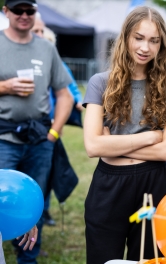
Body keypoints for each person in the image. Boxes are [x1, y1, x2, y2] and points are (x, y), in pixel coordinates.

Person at [82, 6, 166, 264]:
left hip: (153, 184)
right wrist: (150, 137)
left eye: (154, 40)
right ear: (126, 37)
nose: (145, 47)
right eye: (139, 37)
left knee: (148, 259)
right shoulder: (100, 83)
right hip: (109, 186)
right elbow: (93, 146)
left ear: (162, 45)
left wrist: (111, 143)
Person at [0, 0, 74, 263]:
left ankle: (27, 259)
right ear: (6, 11)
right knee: (1, 199)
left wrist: (53, 134)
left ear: (35, 13)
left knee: (35, 203)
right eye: (17, 10)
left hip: (39, 139)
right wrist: (6, 87)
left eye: (29, 10)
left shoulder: (45, 48)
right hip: (4, 139)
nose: (23, 15)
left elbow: (64, 95)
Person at [30, 15, 83, 227]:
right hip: (14, 132)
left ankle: (45, 212)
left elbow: (69, 87)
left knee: (46, 174)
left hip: (48, 127)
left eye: (42, 32)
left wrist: (80, 102)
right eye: (37, 31)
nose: (39, 36)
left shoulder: (52, 59)